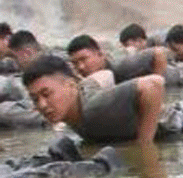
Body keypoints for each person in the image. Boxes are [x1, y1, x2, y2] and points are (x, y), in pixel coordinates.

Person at [23, 54, 174, 145]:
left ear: (70, 85)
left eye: (47, 94)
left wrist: (145, 146)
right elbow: (105, 74)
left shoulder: (93, 108)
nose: (42, 105)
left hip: (179, 127)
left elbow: (153, 85)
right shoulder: (76, 103)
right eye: (35, 99)